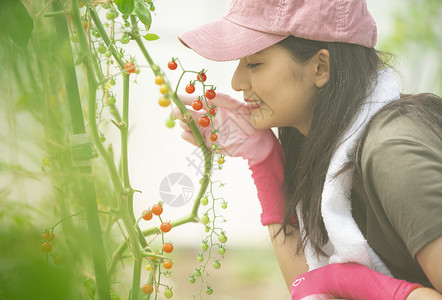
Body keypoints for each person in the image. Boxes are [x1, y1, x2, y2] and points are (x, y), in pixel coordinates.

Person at [173, 0, 442, 299]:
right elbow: (307, 286)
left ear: (320, 67)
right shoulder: (328, 144)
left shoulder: (393, 154)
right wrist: (263, 158)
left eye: (254, 64)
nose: (237, 82)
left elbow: (324, 284)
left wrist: (354, 283)